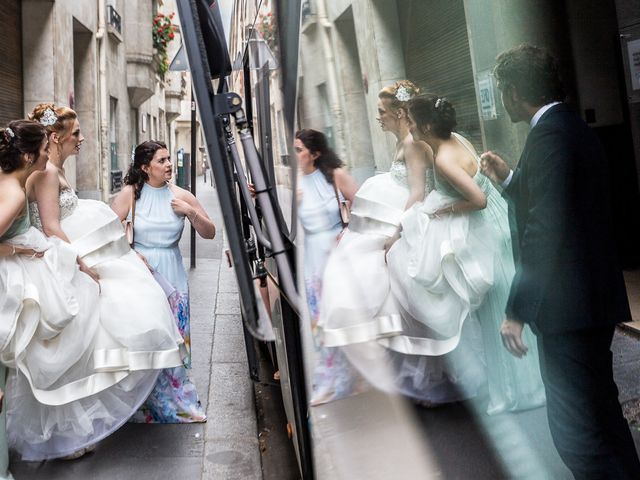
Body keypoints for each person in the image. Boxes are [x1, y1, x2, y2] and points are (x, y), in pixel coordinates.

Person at [481, 44, 640, 478]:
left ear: (514, 92)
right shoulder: (568, 127)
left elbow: (546, 229)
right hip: (591, 300)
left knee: (576, 430)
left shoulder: (550, 133)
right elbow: (560, 206)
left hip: (569, 307)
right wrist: (511, 179)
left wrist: (515, 309)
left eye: (503, 91)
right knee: (602, 413)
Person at [0, 120, 184, 462]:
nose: (47, 157)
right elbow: (40, 226)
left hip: (38, 255)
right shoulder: (16, 189)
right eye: (43, 150)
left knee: (47, 346)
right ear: (29, 154)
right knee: (57, 341)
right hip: (28, 264)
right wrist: (21, 252)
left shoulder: (17, 180)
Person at [384, 94, 545, 412]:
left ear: (427, 125)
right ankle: (527, 385)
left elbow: (477, 199)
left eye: (413, 123)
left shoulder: (442, 157)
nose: (411, 128)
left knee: (496, 311)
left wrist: (446, 210)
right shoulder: (454, 140)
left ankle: (515, 392)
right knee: (503, 306)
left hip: (485, 230)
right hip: (495, 224)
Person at [317, 80, 434, 401]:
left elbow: (418, 193)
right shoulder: (403, 141)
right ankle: (370, 365)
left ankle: (373, 364)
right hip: (388, 219)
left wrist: (396, 232)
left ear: (398, 112)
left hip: (401, 222)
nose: (378, 117)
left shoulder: (412, 143)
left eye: (382, 111)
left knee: (366, 279)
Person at [113, 140, 215, 423]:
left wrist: (191, 212)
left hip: (172, 272)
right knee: (146, 338)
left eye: (169, 159)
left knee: (174, 336)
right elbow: (106, 235)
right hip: (140, 276)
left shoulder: (182, 194)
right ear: (145, 168)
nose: (169, 164)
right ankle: (142, 404)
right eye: (162, 160)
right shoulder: (130, 195)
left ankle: (176, 401)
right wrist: (130, 253)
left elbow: (210, 233)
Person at [294, 129, 359, 404]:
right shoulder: (294, 183)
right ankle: (328, 377)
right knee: (319, 319)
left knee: (339, 315)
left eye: (299, 149)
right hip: (312, 257)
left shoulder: (335, 176)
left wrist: (349, 232)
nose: (294, 154)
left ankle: (345, 378)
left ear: (315, 153)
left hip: (337, 253)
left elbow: (362, 205)